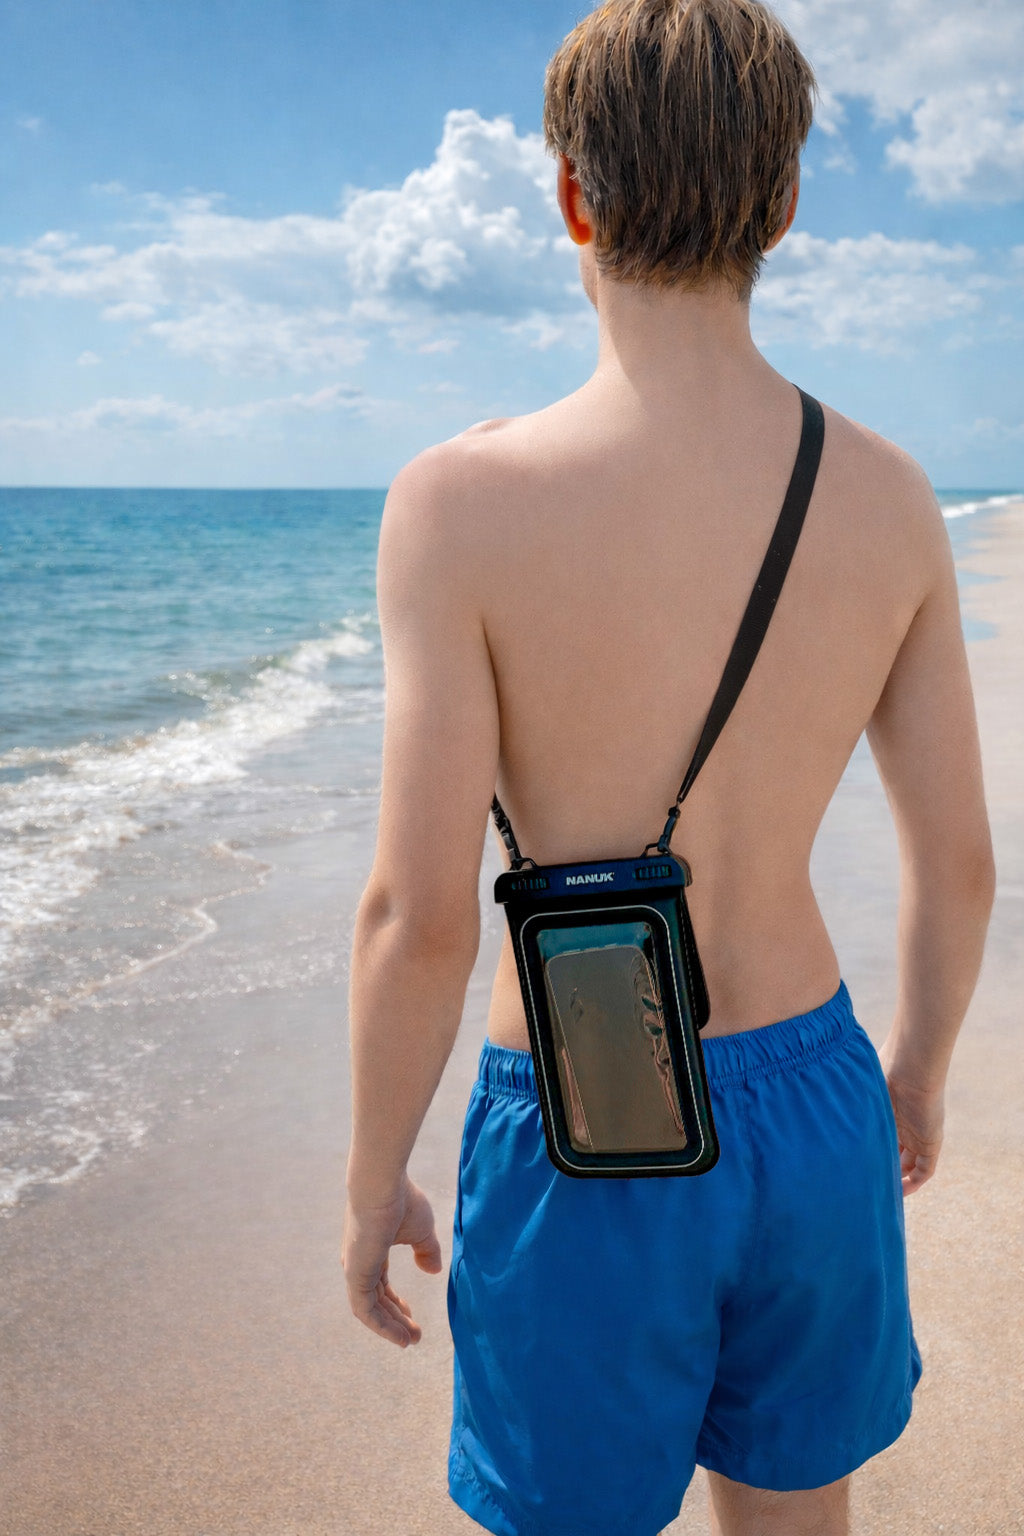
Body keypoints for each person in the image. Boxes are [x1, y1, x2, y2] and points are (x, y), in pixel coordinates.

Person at [341, 1, 996, 1531]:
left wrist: (372, 1175)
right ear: (782, 203)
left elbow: (418, 913)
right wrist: (915, 1075)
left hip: (585, 1124)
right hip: (817, 1090)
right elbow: (959, 858)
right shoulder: (890, 497)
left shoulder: (460, 504)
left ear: (570, 196)